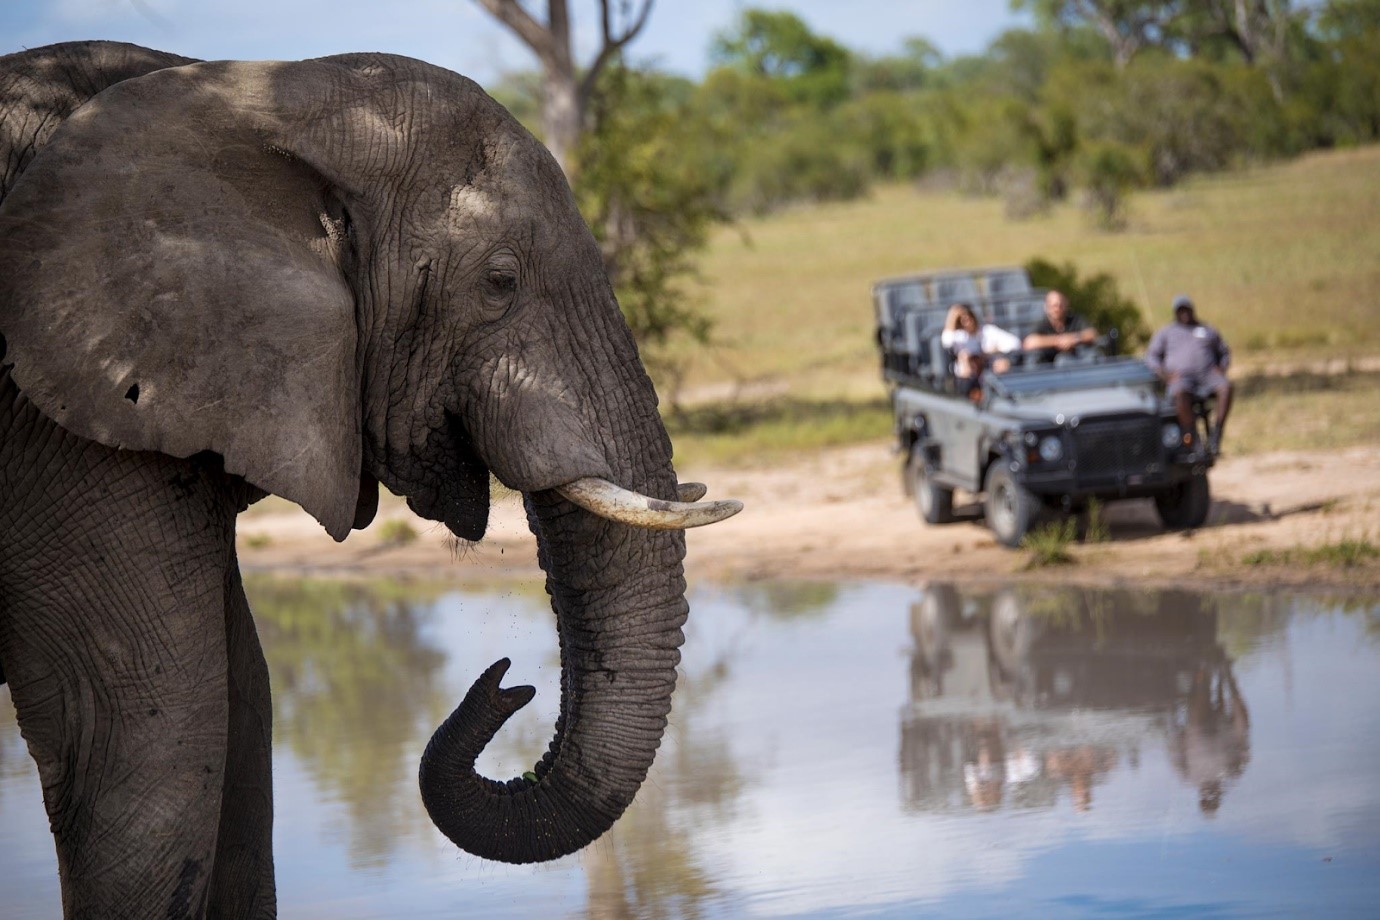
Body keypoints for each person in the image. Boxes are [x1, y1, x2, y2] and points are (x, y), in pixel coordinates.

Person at [1145, 295, 1233, 455]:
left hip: (1207, 375)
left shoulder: (1207, 329)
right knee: (1179, 392)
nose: (1184, 313)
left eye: (1186, 309)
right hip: (1182, 378)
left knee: (1225, 387)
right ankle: (1193, 438)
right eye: (1180, 310)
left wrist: (1222, 367)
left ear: (1192, 310)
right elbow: (1151, 357)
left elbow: (1224, 351)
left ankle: (1216, 433)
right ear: (1175, 313)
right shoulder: (1166, 332)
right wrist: (1164, 375)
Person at [940, 303, 1020, 399]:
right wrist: (952, 316)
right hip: (968, 378)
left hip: (989, 371)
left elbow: (1015, 343)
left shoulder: (987, 331)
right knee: (964, 362)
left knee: (1002, 363)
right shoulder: (959, 336)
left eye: (968, 318)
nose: (967, 323)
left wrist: (994, 351)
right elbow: (946, 342)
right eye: (962, 321)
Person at [1022, 289, 1098, 364]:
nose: (1057, 309)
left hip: (1074, 362)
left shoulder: (1075, 319)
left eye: (1060, 305)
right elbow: (1029, 342)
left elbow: (1092, 334)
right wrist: (1058, 341)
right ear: (1046, 307)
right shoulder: (1041, 323)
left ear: (1066, 305)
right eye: (1053, 306)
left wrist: (1073, 339)